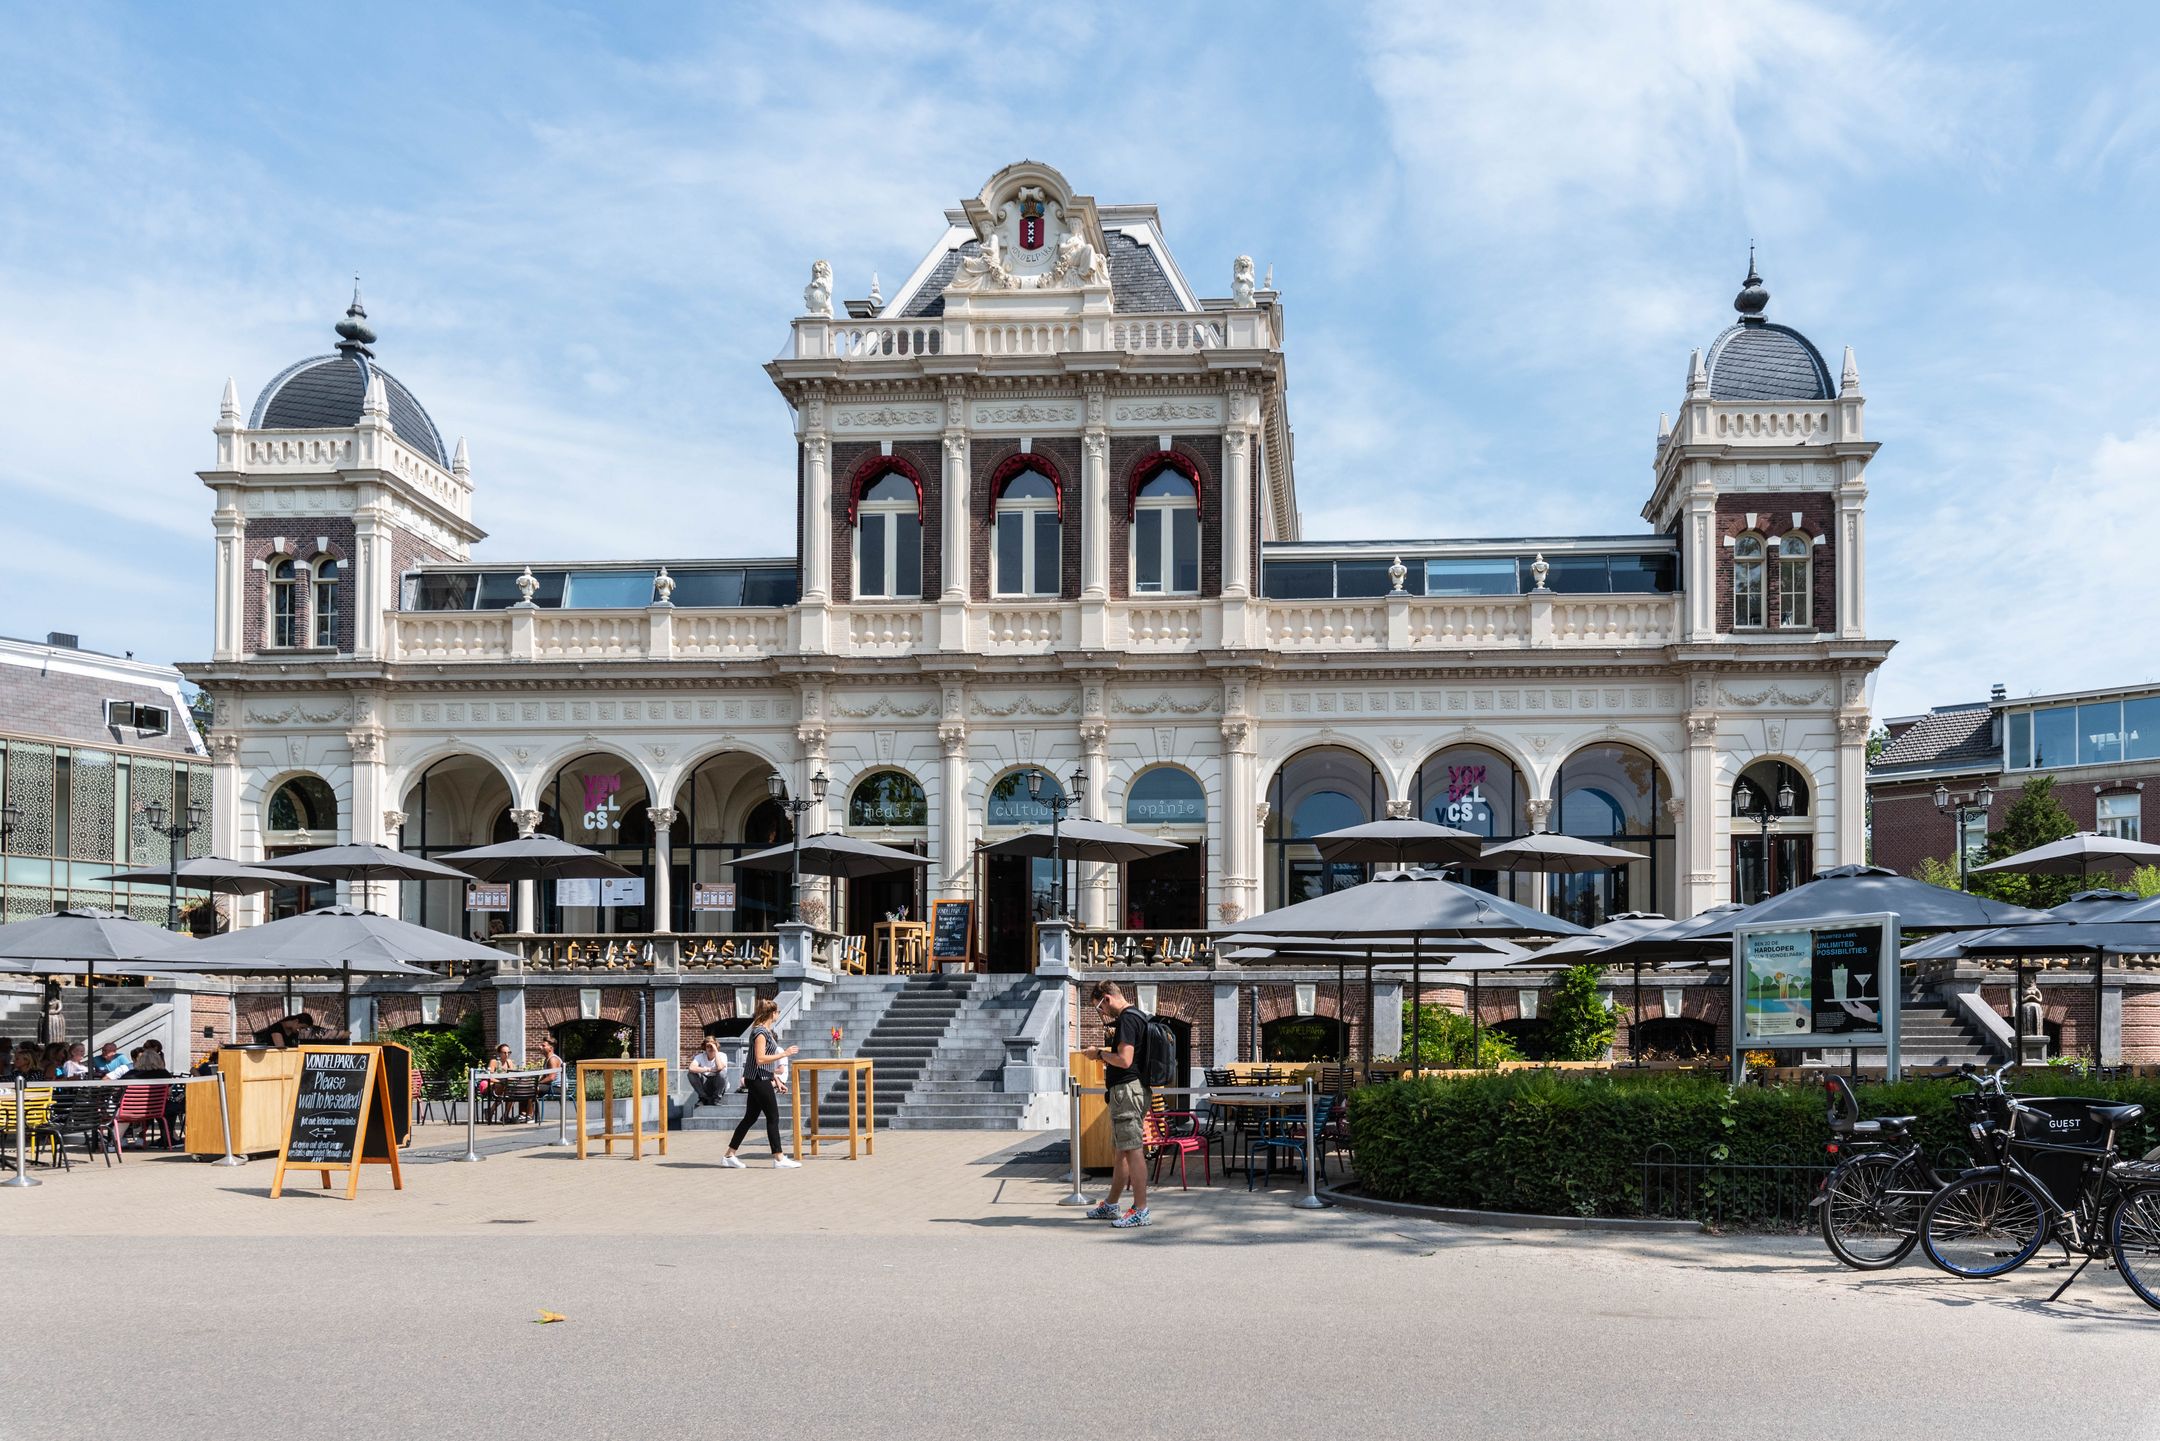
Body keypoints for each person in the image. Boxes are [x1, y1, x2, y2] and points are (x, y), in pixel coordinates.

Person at [1081, 979, 1152, 1228]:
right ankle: (1111, 1204)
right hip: (1133, 1089)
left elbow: (1124, 1060)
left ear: (1107, 998)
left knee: (1132, 1150)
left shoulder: (1127, 1020)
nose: (1101, 1011)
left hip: (1126, 1091)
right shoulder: (1139, 1016)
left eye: (1099, 1006)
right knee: (1122, 1151)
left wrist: (1099, 1054)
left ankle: (1141, 1209)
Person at [721, 999, 800, 1170]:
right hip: (758, 1079)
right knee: (773, 1117)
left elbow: (763, 1064)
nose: (778, 1014)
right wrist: (785, 1054)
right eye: (777, 1012)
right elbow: (760, 1059)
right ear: (772, 1013)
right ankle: (779, 1158)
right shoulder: (760, 1033)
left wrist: (775, 1079)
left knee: (750, 1117)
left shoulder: (766, 1031)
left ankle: (729, 1155)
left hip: (761, 1077)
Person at [687, 1038, 728, 1107]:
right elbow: (691, 1068)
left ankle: (716, 1099)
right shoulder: (700, 1056)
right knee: (691, 1074)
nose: (710, 1048)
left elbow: (719, 1067)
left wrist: (716, 1051)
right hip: (705, 1083)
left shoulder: (722, 1055)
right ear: (704, 1047)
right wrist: (708, 1069)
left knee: (722, 1073)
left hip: (718, 1084)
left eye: (712, 1046)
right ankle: (703, 1098)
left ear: (716, 1045)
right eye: (708, 1046)